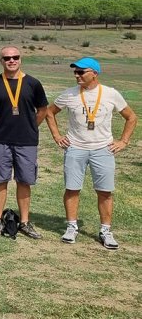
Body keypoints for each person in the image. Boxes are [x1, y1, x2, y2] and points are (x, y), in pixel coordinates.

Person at [45, 57, 137, 249]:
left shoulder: (111, 94)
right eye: (75, 72)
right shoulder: (69, 94)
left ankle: (106, 231)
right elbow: (49, 112)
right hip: (75, 148)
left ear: (94, 73)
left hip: (103, 148)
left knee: (105, 191)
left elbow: (131, 117)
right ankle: (71, 228)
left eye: (81, 72)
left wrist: (123, 141)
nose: (76, 75)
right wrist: (57, 136)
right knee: (72, 188)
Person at [0, 46, 48, 239]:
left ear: (20, 59)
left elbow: (42, 109)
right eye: (7, 58)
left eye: (15, 57)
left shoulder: (33, 83)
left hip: (26, 141)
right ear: (0, 61)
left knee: (24, 180)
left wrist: (31, 127)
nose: (11, 60)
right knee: (0, 180)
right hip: (1, 141)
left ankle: (24, 222)